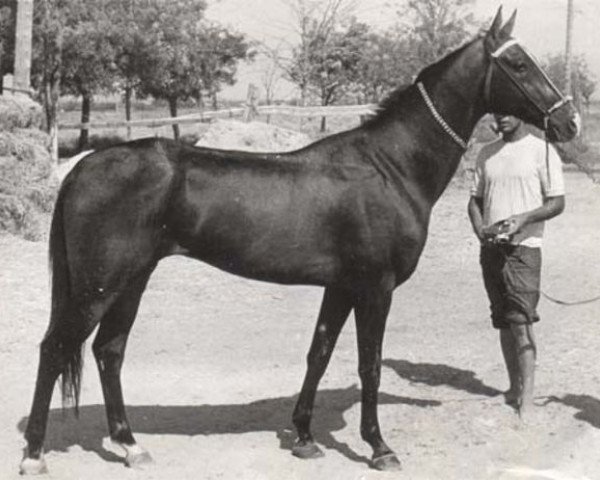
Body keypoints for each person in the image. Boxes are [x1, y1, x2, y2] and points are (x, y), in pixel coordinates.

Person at [468, 114, 565, 423]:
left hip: (525, 250)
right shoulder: (486, 153)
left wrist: (524, 219)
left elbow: (557, 202)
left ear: (522, 113)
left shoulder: (543, 151)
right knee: (503, 320)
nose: (502, 117)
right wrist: (480, 228)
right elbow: (474, 200)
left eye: (508, 111)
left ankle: (528, 399)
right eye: (497, 112)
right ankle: (513, 387)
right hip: (491, 249)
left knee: (522, 321)